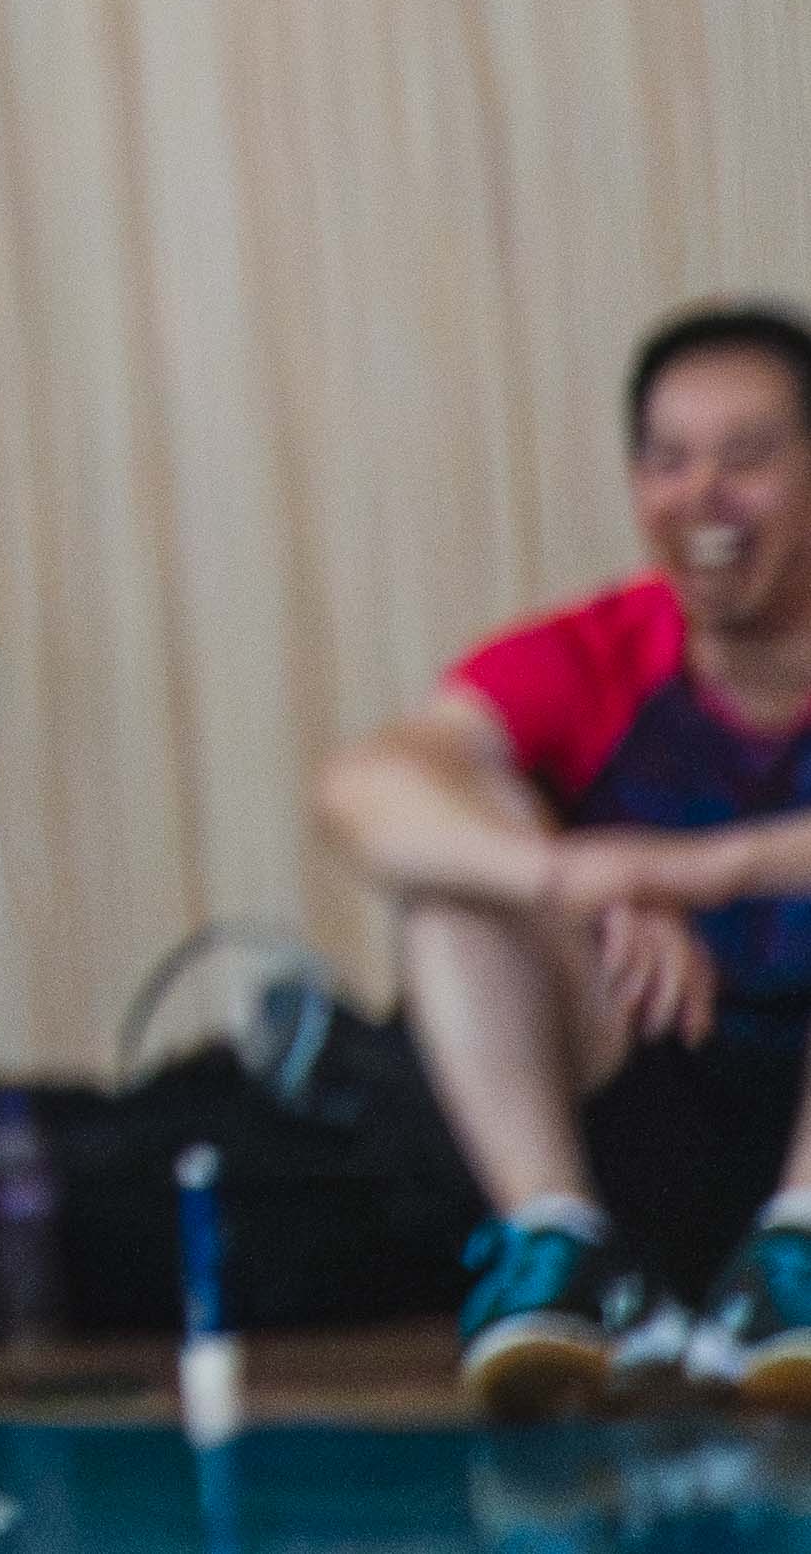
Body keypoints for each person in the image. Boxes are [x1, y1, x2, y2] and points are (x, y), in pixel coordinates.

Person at [314, 299, 811, 1413]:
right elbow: (361, 786)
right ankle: (564, 1248)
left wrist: (695, 870)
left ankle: (801, 1254)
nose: (703, 497)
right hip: (661, 1098)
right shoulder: (601, 649)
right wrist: (566, 873)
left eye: (746, 458)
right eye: (668, 461)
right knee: (457, 873)